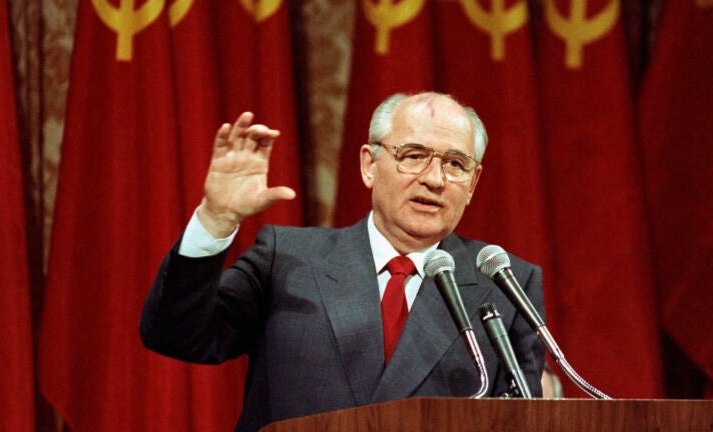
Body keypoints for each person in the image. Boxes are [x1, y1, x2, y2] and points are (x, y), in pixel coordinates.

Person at [140, 92, 547, 432]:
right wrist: (216, 219)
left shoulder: (504, 283)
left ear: (473, 183)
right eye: (413, 155)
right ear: (369, 165)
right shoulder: (288, 258)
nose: (434, 179)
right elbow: (176, 335)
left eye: (455, 164)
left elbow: (521, 420)